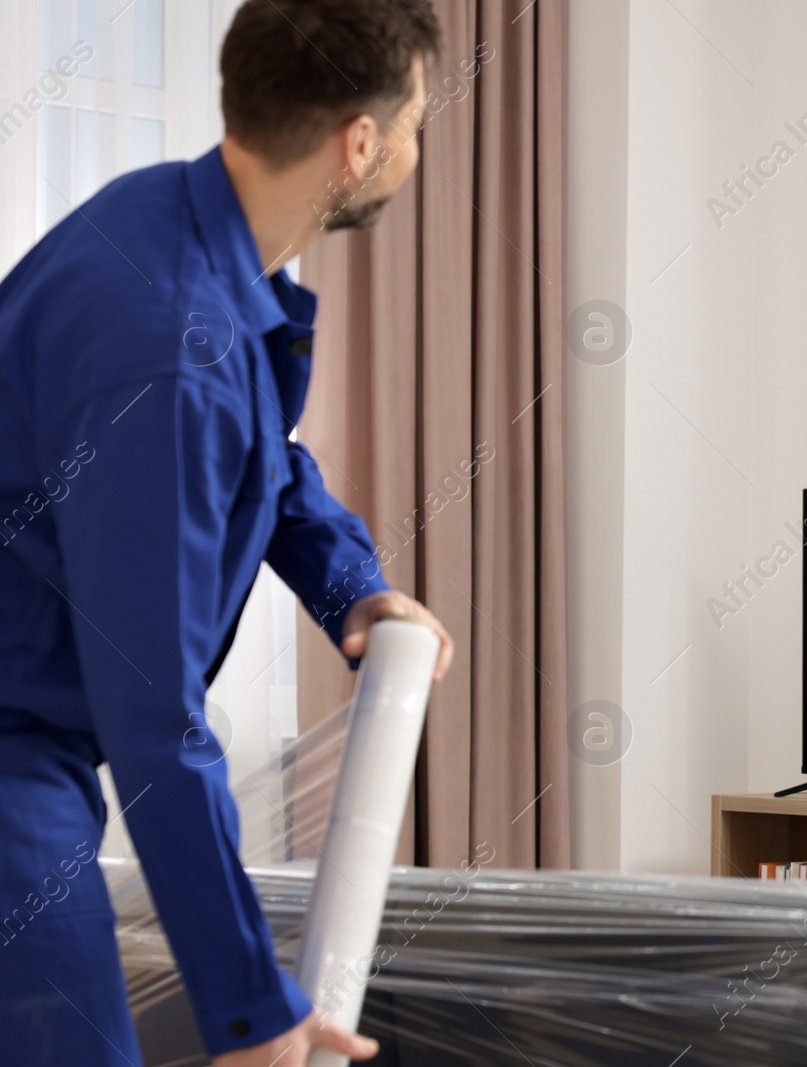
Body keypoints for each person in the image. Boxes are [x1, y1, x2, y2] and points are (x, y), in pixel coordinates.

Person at [0, 2, 453, 1064]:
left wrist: (350, 583)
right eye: (417, 123)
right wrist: (253, 1008)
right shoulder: (170, 345)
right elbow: (153, 719)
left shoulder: (180, 229)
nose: (418, 149)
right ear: (358, 144)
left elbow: (267, 455)